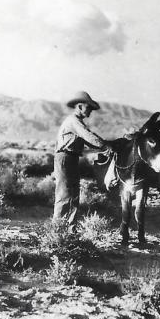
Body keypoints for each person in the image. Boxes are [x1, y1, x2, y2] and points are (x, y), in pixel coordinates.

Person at [53, 91, 109, 226]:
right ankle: (58, 229)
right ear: (79, 107)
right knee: (64, 194)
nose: (90, 111)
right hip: (65, 158)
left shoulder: (76, 122)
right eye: (88, 107)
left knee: (73, 195)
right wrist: (106, 145)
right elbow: (89, 136)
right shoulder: (73, 122)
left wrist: (105, 146)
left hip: (71, 159)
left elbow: (89, 140)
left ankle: (69, 229)